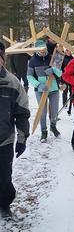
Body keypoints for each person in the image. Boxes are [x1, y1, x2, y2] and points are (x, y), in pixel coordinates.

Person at [0, 42, 30, 218]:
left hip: (4, 139)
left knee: (4, 175)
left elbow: (22, 113)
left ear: (3, 59)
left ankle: (4, 204)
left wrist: (22, 138)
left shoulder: (12, 83)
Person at [27, 39, 62, 142]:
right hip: (40, 90)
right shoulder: (33, 60)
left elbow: (60, 73)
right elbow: (29, 76)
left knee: (55, 111)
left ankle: (53, 126)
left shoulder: (52, 57)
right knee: (42, 112)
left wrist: (53, 70)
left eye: (44, 48)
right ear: (37, 49)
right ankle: (44, 131)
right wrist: (38, 85)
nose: (42, 50)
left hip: (54, 88)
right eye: (40, 49)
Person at [61, 49, 74, 114]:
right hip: (65, 78)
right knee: (65, 91)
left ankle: (72, 103)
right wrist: (61, 79)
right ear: (65, 52)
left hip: (71, 78)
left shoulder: (73, 58)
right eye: (67, 51)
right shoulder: (63, 59)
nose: (69, 52)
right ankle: (65, 104)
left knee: (71, 91)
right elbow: (61, 69)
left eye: (70, 51)